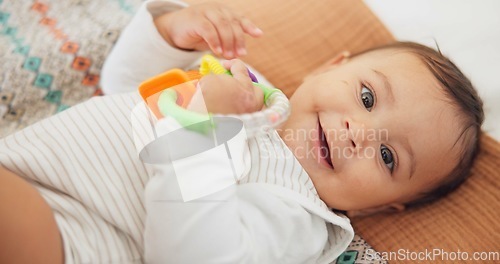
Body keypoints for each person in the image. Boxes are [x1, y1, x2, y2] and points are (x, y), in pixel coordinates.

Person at [0, 0, 484, 264]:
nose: (359, 134)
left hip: (70, 239)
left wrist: (197, 128)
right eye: (366, 98)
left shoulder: (300, 214)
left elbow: (195, 257)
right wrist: (172, 33)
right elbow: (124, 87)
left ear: (377, 207)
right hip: (31, 169)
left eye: (388, 158)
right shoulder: (247, 85)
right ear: (327, 66)